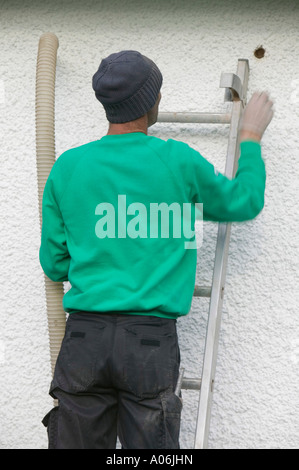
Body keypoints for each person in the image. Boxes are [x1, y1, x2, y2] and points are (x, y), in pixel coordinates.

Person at [39, 50, 274, 449]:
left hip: (84, 340)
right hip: (148, 343)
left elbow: (55, 263)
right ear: (153, 103)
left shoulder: (68, 166)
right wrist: (249, 138)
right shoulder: (178, 162)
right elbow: (243, 201)